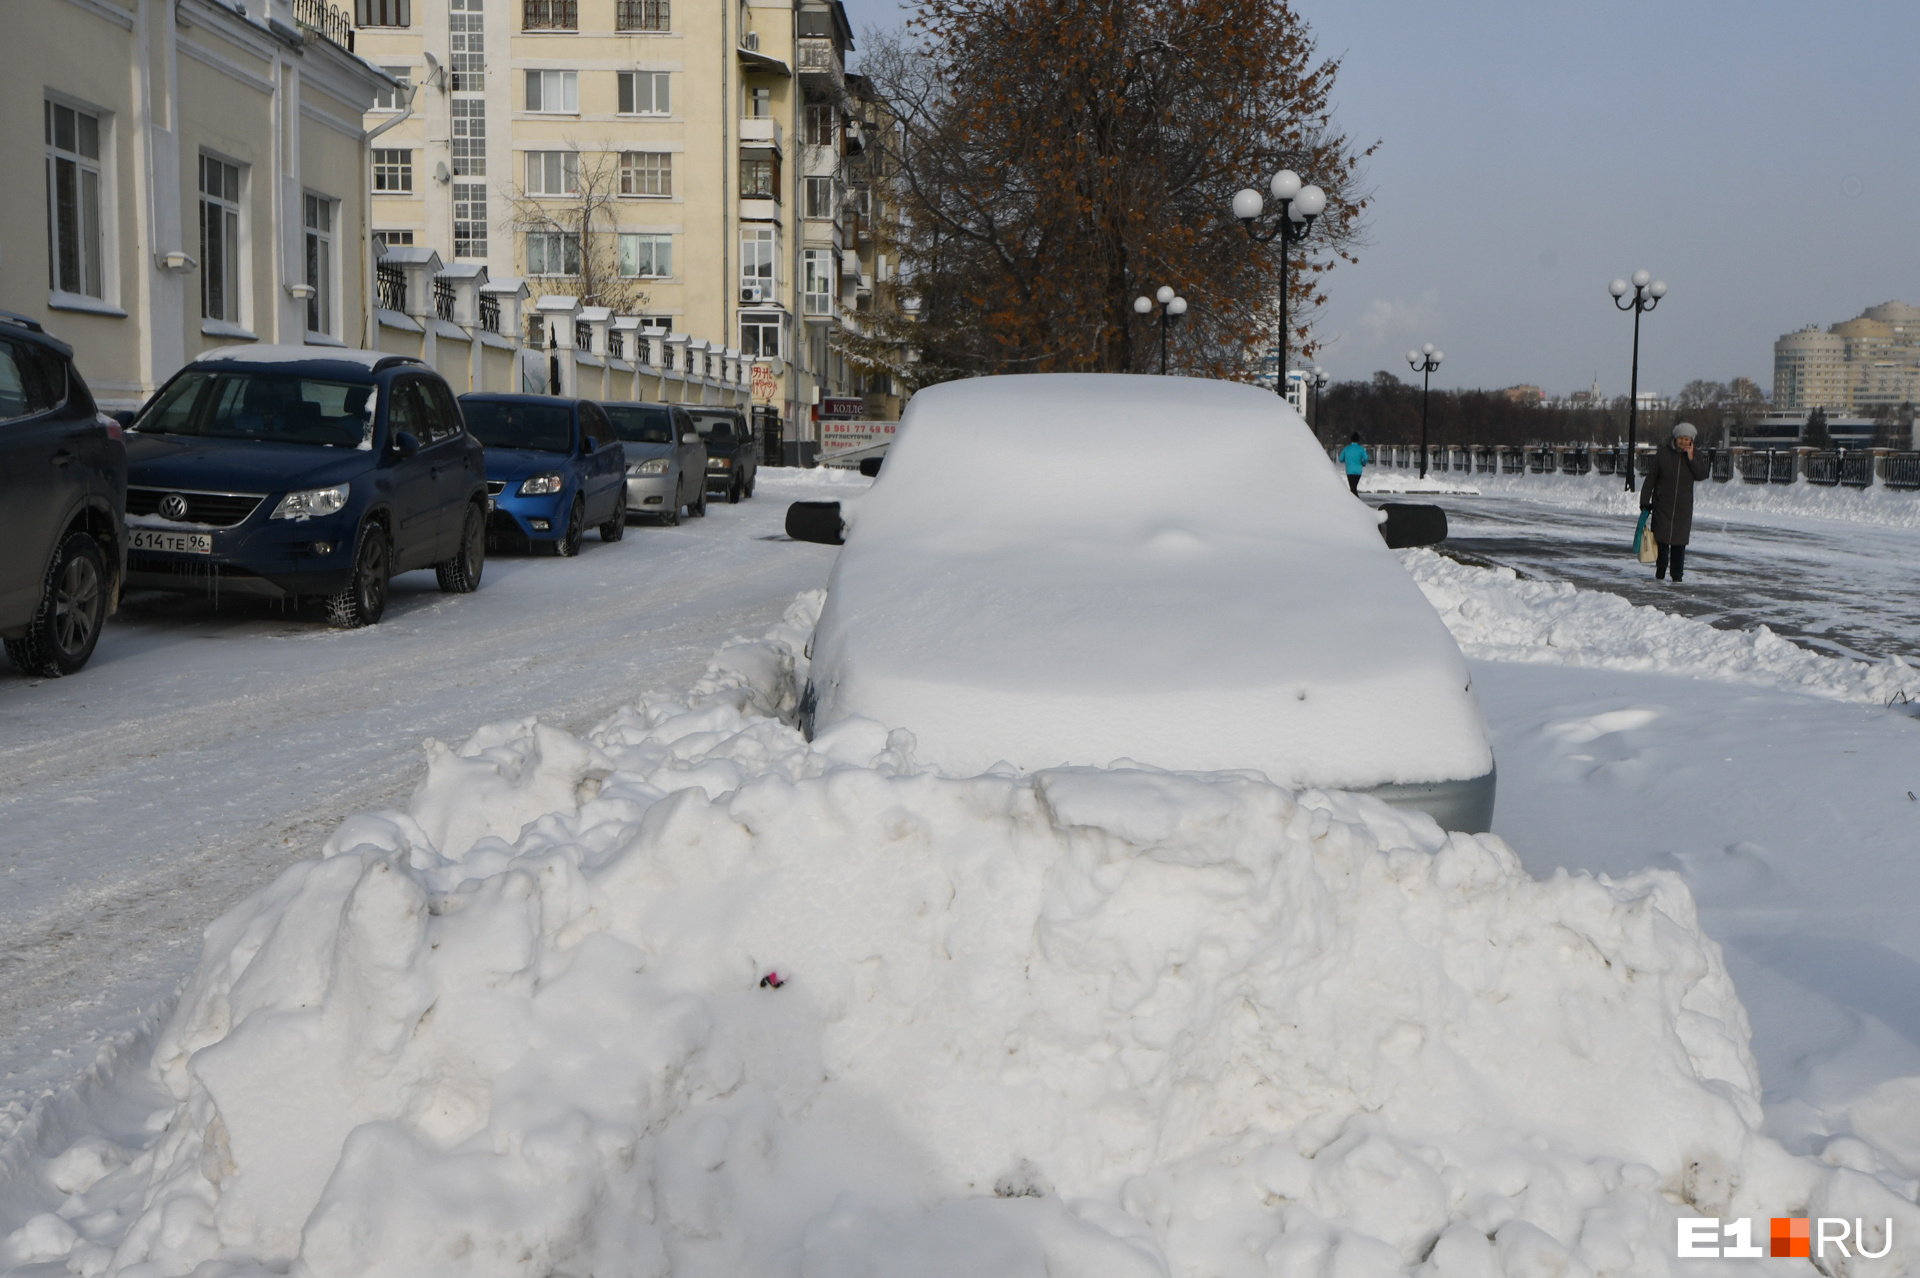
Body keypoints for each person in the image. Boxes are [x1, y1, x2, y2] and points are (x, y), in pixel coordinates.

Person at [1639, 421, 1710, 582]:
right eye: (1681, 439)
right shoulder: (1663, 454)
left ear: (1691, 440)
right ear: (1675, 438)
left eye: (1687, 439)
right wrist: (1644, 501)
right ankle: (1661, 571)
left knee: (1679, 544)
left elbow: (1701, 475)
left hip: (1683, 508)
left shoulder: (1695, 455)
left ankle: (1677, 576)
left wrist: (1691, 457)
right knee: (1662, 541)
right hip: (1662, 505)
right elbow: (1651, 479)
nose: (1684, 442)